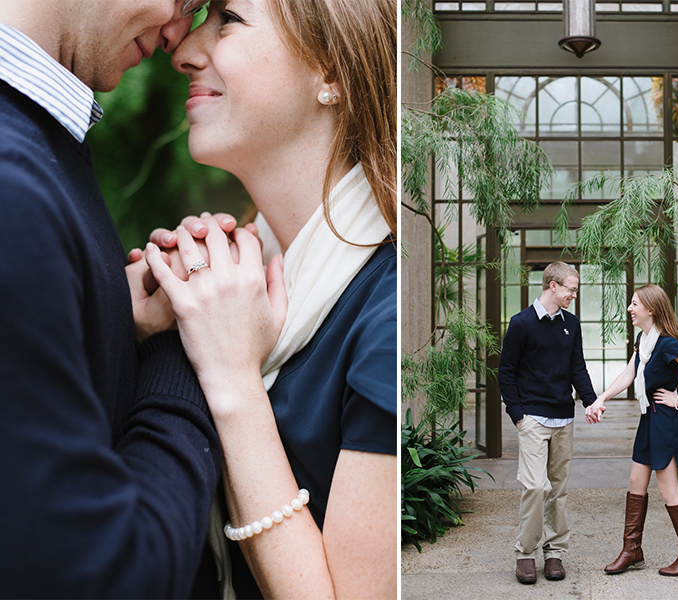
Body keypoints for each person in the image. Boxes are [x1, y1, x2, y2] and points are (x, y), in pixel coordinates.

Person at [134, 0, 397, 597]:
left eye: (227, 19)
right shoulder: (222, 280)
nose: (183, 52)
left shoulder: (385, 313)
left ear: (330, 70)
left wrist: (230, 374)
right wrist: (150, 336)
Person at [0, 1, 223, 598]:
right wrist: (183, 347)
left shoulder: (40, 147)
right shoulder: (13, 184)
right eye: (184, 2)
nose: (178, 36)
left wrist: (111, 324)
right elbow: (109, 575)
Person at [585, 284, 678, 577]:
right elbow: (631, 373)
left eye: (634, 304)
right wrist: (600, 399)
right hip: (648, 417)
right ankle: (632, 551)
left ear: (651, 309)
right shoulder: (645, 339)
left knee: (668, 490)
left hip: (665, 419)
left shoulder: (667, 343)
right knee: (635, 482)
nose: (630, 309)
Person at [497, 261, 597, 585]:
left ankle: (554, 551)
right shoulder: (522, 323)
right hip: (533, 420)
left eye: (576, 290)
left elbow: (577, 367)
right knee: (535, 487)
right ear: (552, 286)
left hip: (563, 418)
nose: (574, 295)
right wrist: (518, 416)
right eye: (571, 288)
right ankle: (525, 553)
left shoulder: (572, 324)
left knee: (558, 489)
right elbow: (506, 372)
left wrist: (591, 401)